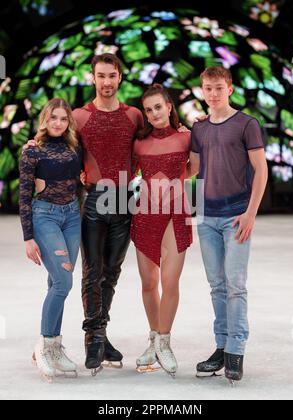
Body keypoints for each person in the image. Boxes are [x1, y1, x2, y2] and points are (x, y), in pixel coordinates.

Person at [188, 66, 268, 383]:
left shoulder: (247, 124)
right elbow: (190, 170)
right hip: (206, 217)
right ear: (202, 90)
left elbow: (261, 171)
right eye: (207, 88)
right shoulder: (199, 129)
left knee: (236, 286)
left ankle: (236, 350)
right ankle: (221, 347)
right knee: (217, 286)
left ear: (230, 89)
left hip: (236, 215)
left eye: (219, 87)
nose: (213, 93)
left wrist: (250, 213)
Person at [72, 53, 144, 375]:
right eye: (101, 76)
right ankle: (94, 337)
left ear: (120, 78)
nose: (106, 82)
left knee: (111, 272)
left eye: (112, 75)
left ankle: (99, 334)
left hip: (125, 200)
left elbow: (148, 146)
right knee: (92, 271)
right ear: (92, 78)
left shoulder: (134, 116)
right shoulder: (79, 117)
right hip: (94, 201)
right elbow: (64, 152)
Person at [131, 84, 192, 377]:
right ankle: (153, 339)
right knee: (147, 283)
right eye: (149, 109)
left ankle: (165, 342)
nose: (154, 113)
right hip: (145, 214)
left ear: (169, 106)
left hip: (175, 214)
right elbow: (125, 170)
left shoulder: (187, 138)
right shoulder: (139, 144)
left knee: (170, 281)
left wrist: (174, 181)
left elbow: (195, 168)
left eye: (158, 106)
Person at [19, 98, 82, 382]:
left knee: (56, 282)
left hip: (72, 216)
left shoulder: (73, 147)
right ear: (45, 120)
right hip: (44, 216)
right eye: (53, 118)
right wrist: (28, 238)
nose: (58, 123)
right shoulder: (32, 152)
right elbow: (24, 195)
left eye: (63, 119)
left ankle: (55, 347)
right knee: (64, 282)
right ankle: (44, 346)